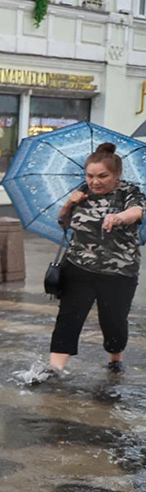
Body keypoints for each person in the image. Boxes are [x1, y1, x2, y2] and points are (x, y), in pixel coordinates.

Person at [46, 142, 144, 376]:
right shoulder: (82, 192)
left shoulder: (130, 192)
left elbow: (137, 212)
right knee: (68, 317)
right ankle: (54, 368)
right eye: (90, 176)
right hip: (78, 266)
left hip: (118, 272)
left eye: (102, 176)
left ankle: (115, 357)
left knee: (114, 322)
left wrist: (119, 218)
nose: (94, 181)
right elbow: (64, 223)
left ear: (117, 174)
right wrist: (70, 202)